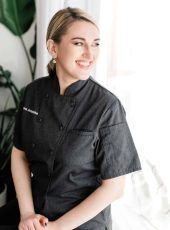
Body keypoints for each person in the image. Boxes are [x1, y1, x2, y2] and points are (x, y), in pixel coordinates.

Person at [0, 7, 141, 230]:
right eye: (78, 43)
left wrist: (57, 227)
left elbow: (114, 187)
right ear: (53, 48)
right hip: (34, 213)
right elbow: (19, 155)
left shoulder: (107, 106)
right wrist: (27, 214)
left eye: (95, 43)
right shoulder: (33, 93)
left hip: (81, 221)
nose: (89, 53)